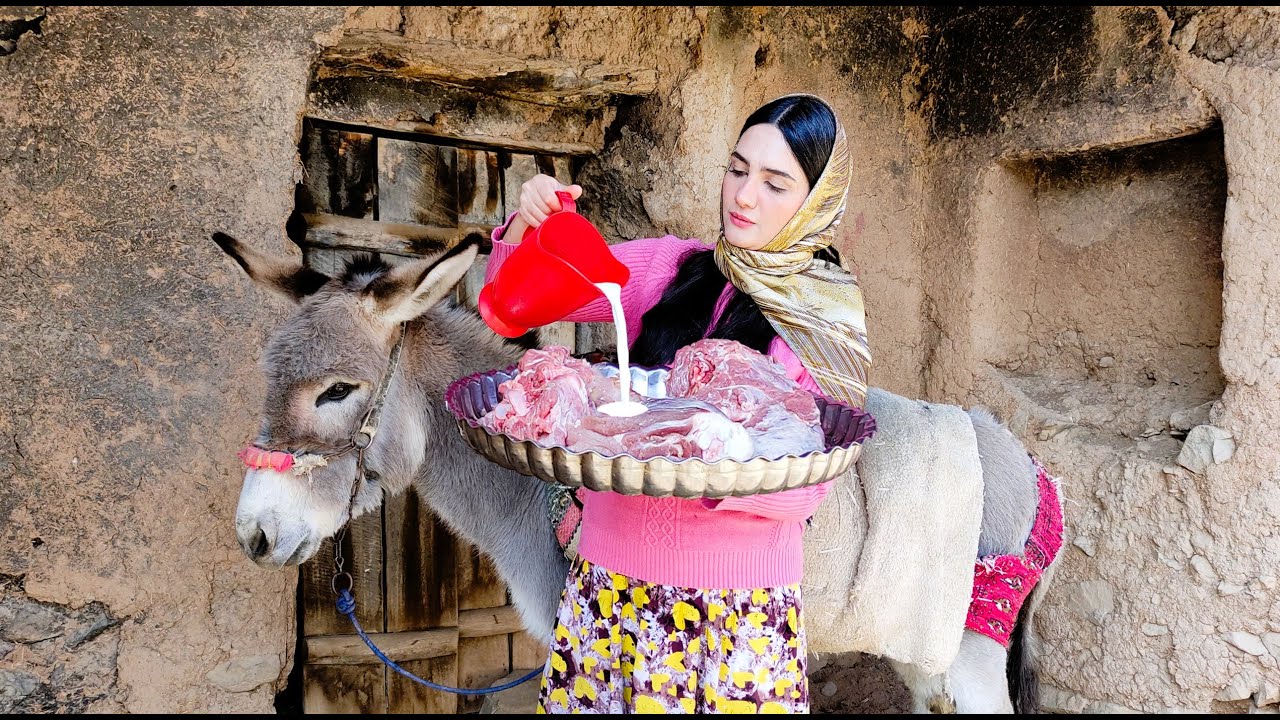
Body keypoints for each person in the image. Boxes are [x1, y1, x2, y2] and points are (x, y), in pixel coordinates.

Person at [484, 94, 871, 714]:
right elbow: (526, 300)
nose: (744, 196)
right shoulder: (673, 269)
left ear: (816, 202)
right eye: (737, 170)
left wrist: (716, 449)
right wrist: (533, 227)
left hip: (731, 617)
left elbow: (807, 492)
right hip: (606, 594)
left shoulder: (827, 328)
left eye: (775, 183)